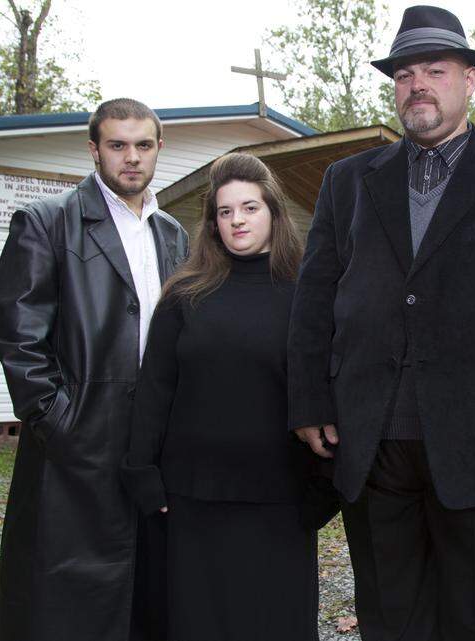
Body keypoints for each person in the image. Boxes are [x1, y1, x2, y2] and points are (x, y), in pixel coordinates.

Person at [287, 6, 475, 640]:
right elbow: (314, 298)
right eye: (405, 74)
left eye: (435, 70)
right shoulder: (347, 182)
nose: (418, 84)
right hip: (372, 437)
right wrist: (309, 400)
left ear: (470, 79)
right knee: (391, 618)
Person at [0, 98, 188, 641]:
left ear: (158, 150)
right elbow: (17, 336)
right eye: (117, 145)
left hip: (153, 442)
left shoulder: (172, 233)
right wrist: (58, 420)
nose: (131, 158)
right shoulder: (47, 222)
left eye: (143, 145)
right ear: (94, 149)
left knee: (146, 587)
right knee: (66, 597)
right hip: (75, 440)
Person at [120, 152, 318, 640]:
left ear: (273, 211)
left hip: (281, 497)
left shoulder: (308, 293)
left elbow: (326, 388)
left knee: (275, 622)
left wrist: (327, 482)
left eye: (249, 208)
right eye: (225, 212)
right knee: (199, 622)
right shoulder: (185, 295)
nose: (237, 221)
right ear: (212, 224)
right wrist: (142, 471)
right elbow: (155, 390)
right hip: (194, 497)